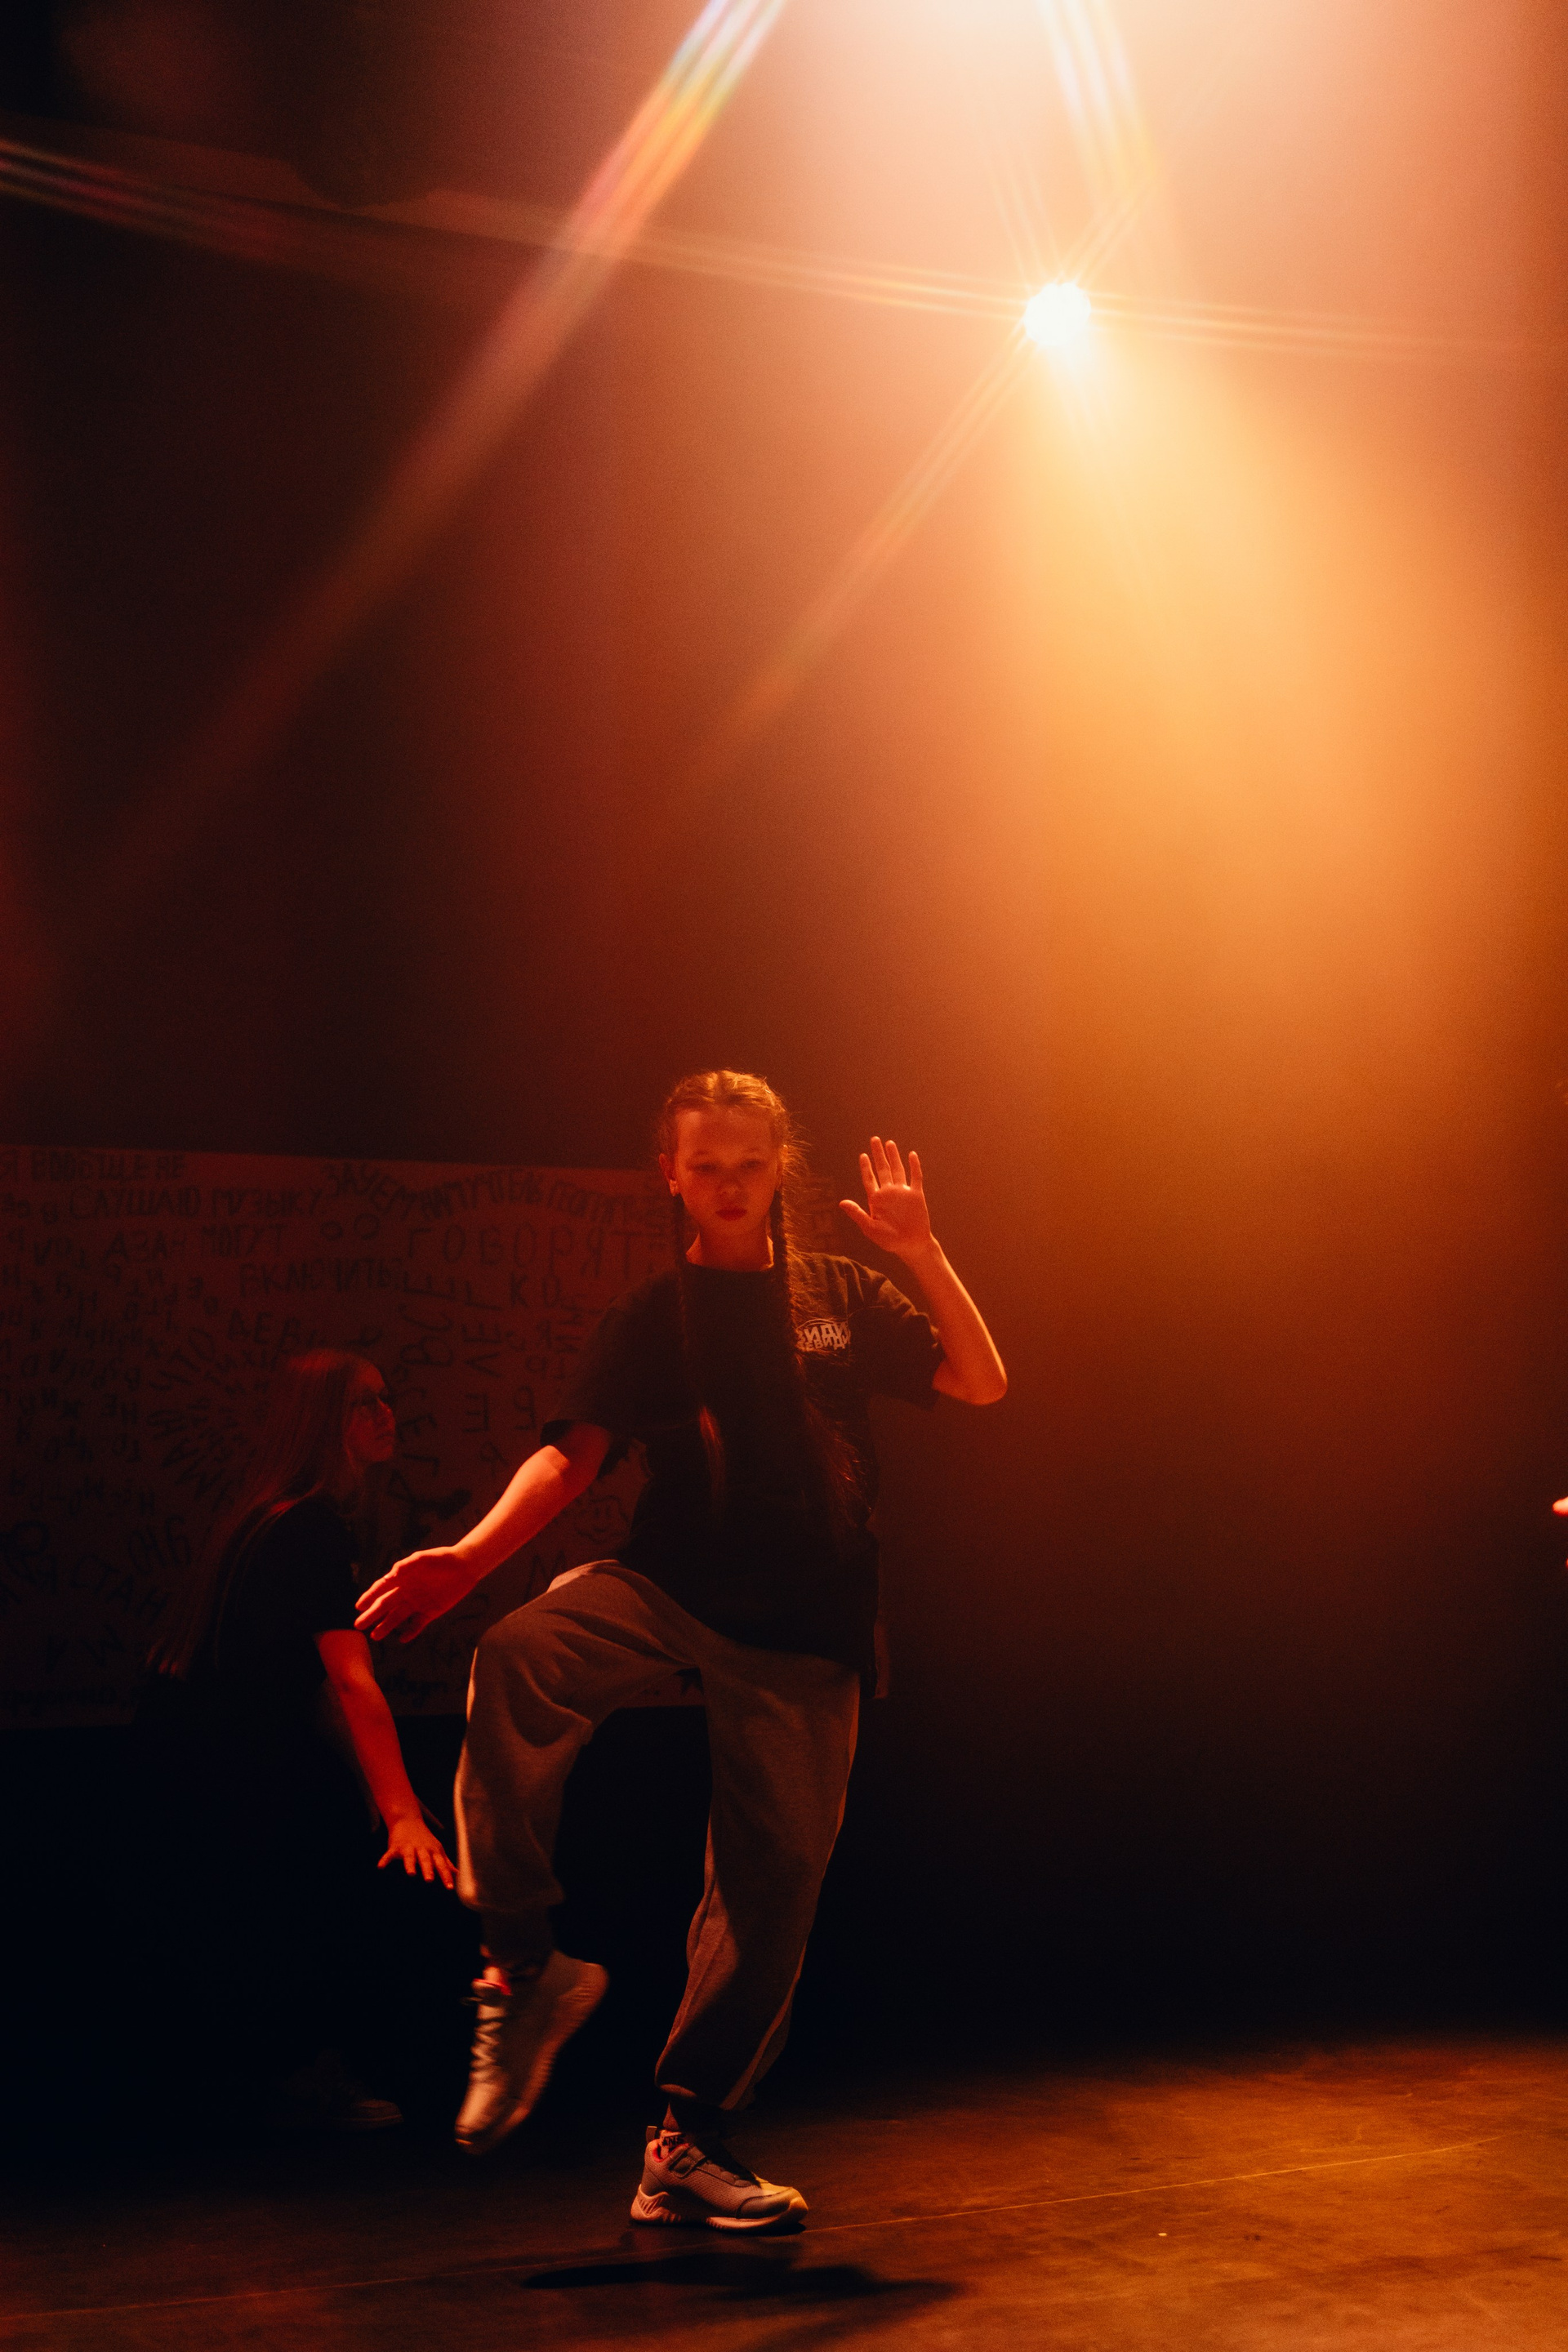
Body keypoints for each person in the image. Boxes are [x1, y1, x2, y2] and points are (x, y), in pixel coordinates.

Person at [356, 1070, 1006, 2223]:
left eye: (750, 1164)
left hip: (807, 1621)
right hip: (668, 1585)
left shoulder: (837, 1293)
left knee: (772, 1887)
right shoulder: (653, 1317)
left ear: (778, 1168)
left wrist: (923, 1251)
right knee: (521, 1651)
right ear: (672, 1175)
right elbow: (569, 1458)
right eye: (706, 1166)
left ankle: (685, 2141)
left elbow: (981, 1381)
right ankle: (525, 1965)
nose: (729, 1184)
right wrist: (466, 1558)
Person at [149, 1348, 456, 2130]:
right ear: (322, 1422)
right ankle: (305, 2075)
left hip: (220, 1754)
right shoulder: (308, 1525)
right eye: (362, 1403)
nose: (385, 1414)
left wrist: (384, 1793)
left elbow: (313, 1684)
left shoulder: (279, 1516)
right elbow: (348, 1681)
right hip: (242, 1759)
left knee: (289, 1907)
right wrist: (399, 1812)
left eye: (386, 1396)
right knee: (311, 1906)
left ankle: (297, 2073)